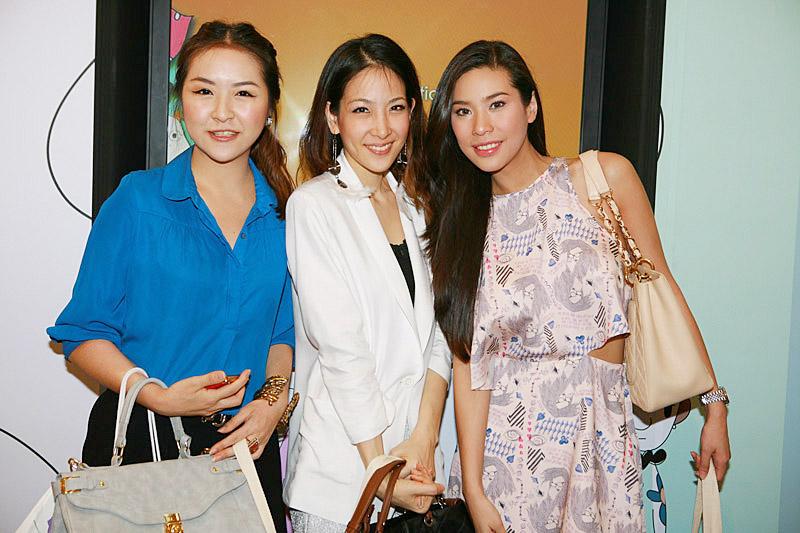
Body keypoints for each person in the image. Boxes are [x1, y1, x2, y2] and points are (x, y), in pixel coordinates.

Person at [424, 40, 731, 532]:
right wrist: (475, 490)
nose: (480, 126)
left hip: (603, 432)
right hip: (510, 451)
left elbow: (662, 287)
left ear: (530, 106)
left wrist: (713, 405)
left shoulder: (600, 178)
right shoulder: (460, 224)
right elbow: (470, 364)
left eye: (497, 104)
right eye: (463, 111)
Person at [47, 21, 294, 531]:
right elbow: (82, 332)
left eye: (243, 93)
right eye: (204, 91)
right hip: (143, 444)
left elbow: (282, 333)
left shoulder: (286, 214)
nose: (222, 112)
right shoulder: (138, 200)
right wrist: (158, 395)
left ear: (270, 107)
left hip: (244, 448)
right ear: (180, 103)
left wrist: (272, 403)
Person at [283, 34, 450, 531]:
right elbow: (342, 351)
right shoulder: (314, 205)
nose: (382, 128)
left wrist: (424, 439)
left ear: (412, 112)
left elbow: (440, 337)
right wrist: (380, 472)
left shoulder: (418, 208)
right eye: (362, 110)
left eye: (395, 108)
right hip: (343, 479)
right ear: (333, 117)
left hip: (412, 469)